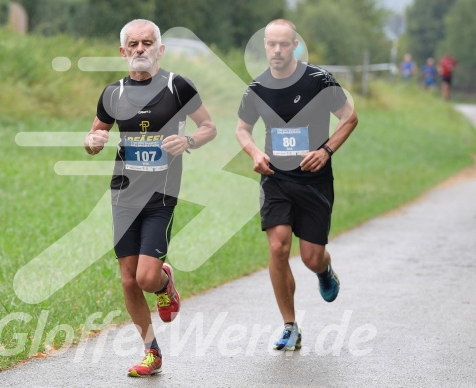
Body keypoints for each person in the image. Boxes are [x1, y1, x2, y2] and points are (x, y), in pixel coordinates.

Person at [84, 19, 216, 376]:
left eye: (147, 43)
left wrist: (187, 141)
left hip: (161, 195)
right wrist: (92, 142)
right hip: (123, 195)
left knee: (145, 278)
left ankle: (163, 281)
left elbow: (209, 128)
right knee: (128, 279)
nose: (139, 49)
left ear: (160, 50)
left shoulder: (177, 86)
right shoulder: (113, 93)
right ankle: (151, 352)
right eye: (133, 44)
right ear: (122, 51)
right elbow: (96, 133)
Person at [235, 19, 358, 351]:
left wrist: (326, 150)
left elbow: (350, 117)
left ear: (295, 46)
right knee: (278, 247)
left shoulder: (319, 80)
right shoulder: (257, 88)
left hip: (315, 180)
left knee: (310, 257)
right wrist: (254, 152)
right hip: (276, 178)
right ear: (265, 46)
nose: (277, 50)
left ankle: (324, 270)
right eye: (271, 44)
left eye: (284, 44)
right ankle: (290, 325)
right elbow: (242, 129)